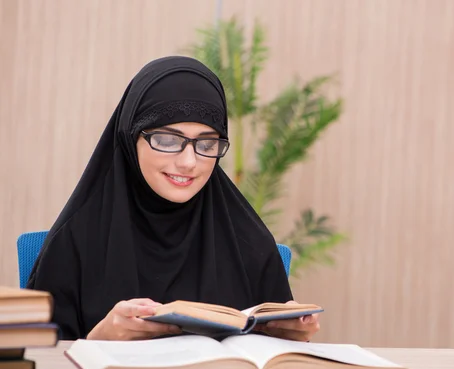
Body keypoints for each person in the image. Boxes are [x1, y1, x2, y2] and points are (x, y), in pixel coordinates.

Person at [26, 56, 320, 342]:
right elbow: (39, 367)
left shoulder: (250, 243)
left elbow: (275, 367)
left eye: (206, 143)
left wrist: (293, 335)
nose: (189, 162)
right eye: (168, 140)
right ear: (131, 137)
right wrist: (99, 338)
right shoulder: (75, 240)